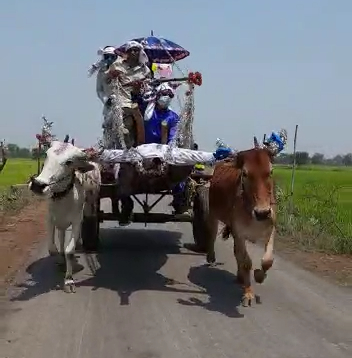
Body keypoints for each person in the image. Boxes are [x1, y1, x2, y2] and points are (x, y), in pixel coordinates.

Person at [96, 42, 151, 149]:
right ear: (127, 53)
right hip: (119, 101)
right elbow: (106, 84)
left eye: (136, 50)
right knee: (115, 124)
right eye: (131, 50)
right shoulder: (117, 66)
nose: (133, 52)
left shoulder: (145, 70)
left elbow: (148, 89)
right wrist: (112, 75)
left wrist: (139, 88)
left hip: (138, 102)